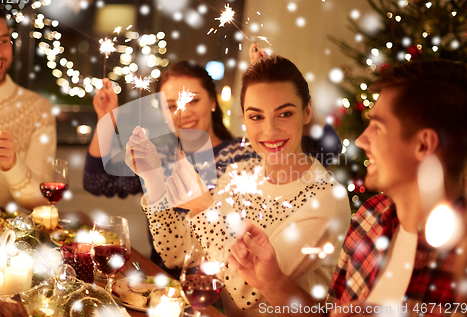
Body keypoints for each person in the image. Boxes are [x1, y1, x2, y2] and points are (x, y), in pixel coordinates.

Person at [228, 59, 467, 317]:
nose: (363, 139)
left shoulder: (460, 258)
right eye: (255, 115)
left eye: (378, 127)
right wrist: (272, 282)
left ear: (423, 145)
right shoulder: (370, 218)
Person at [83, 46, 343, 276]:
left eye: (193, 100)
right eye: (172, 105)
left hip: (224, 283)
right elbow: (96, 182)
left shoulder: (243, 154)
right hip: (167, 279)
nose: (184, 112)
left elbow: (328, 148)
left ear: (212, 102)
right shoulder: (159, 156)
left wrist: (276, 88)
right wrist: (105, 119)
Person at [128, 55, 351, 317]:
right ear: (244, 119)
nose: (270, 130)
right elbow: (176, 254)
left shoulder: (324, 198)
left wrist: (204, 208)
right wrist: (154, 183)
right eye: (257, 116)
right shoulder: (240, 172)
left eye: (285, 113)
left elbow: (247, 290)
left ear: (307, 112)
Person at [0, 3, 56, 210]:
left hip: (8, 238)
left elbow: (41, 203)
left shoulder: (37, 109)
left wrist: (12, 164)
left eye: (3, 40)